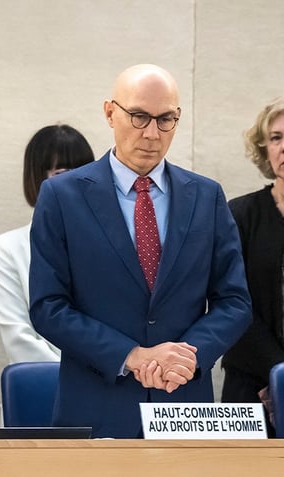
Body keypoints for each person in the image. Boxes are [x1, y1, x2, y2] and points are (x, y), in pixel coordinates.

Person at [29, 64, 252, 438]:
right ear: (109, 113)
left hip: (183, 405)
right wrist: (132, 356)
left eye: (166, 119)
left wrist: (187, 356)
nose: (152, 133)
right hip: (95, 409)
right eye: (139, 116)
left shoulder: (207, 195)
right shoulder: (61, 196)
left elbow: (234, 301)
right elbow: (48, 306)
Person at [0, 124, 94, 363]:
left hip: (114, 382)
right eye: (60, 173)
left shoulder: (115, 240)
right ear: (37, 177)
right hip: (47, 385)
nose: (74, 183)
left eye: (83, 172)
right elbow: (17, 335)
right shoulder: (9, 247)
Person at [222, 97, 284, 434]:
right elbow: (229, 303)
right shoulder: (240, 215)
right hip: (250, 390)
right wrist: (278, 375)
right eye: (276, 137)